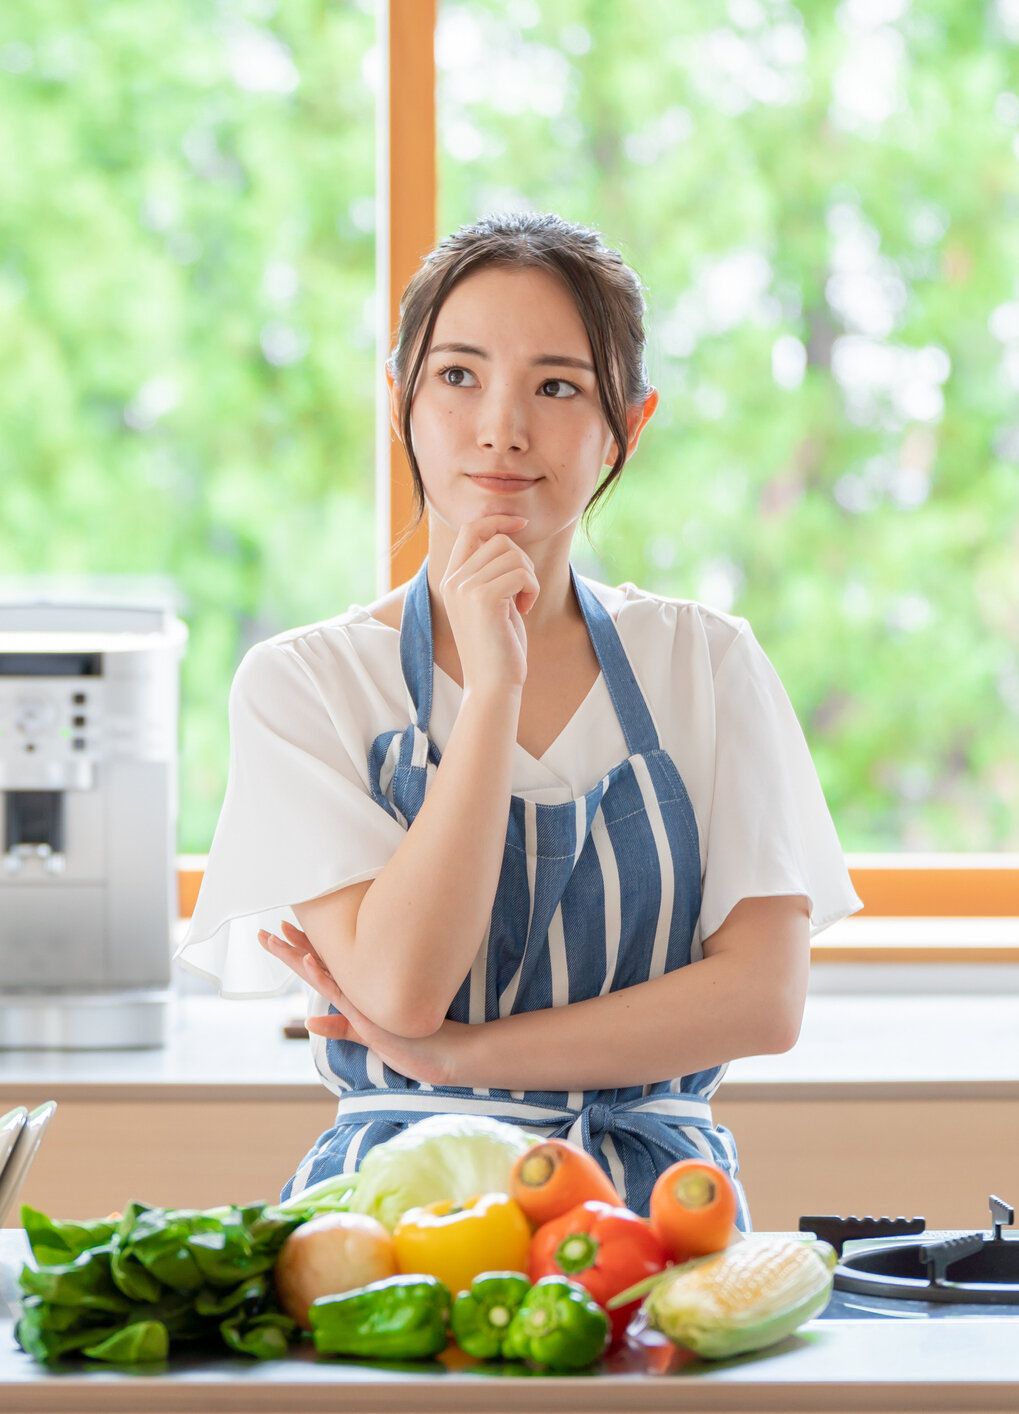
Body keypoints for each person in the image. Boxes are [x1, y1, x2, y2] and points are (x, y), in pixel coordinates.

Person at [177, 212, 863, 1225]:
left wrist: (463, 1061)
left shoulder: (707, 665)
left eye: (557, 386)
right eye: (458, 376)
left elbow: (763, 1000)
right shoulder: (307, 684)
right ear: (400, 399)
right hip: (392, 1222)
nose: (501, 426)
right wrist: (493, 684)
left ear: (627, 423)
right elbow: (404, 986)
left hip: (653, 1222)